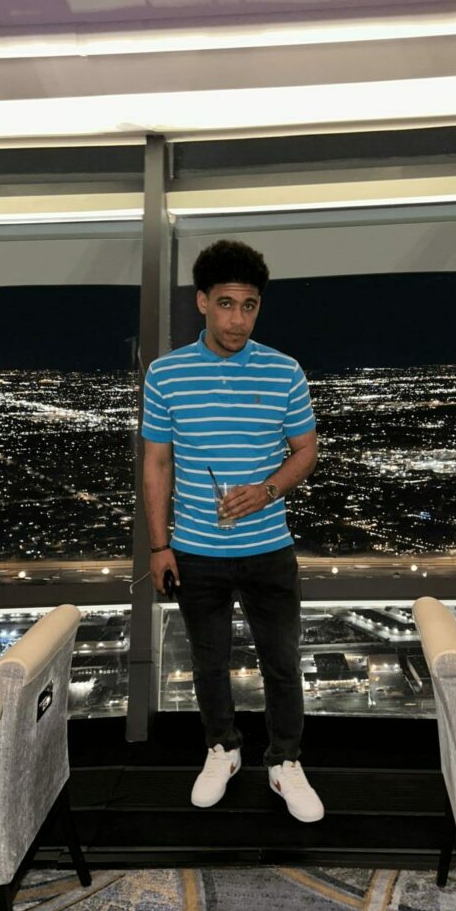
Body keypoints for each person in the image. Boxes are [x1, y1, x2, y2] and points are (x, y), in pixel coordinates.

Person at [141, 239, 324, 823]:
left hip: (269, 549)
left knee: (282, 664)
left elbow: (306, 450)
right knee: (208, 663)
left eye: (249, 306)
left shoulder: (284, 370)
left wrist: (267, 490)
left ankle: (285, 760)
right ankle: (222, 749)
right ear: (202, 302)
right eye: (226, 304)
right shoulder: (166, 374)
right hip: (196, 552)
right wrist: (159, 546)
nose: (238, 319)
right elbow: (157, 463)